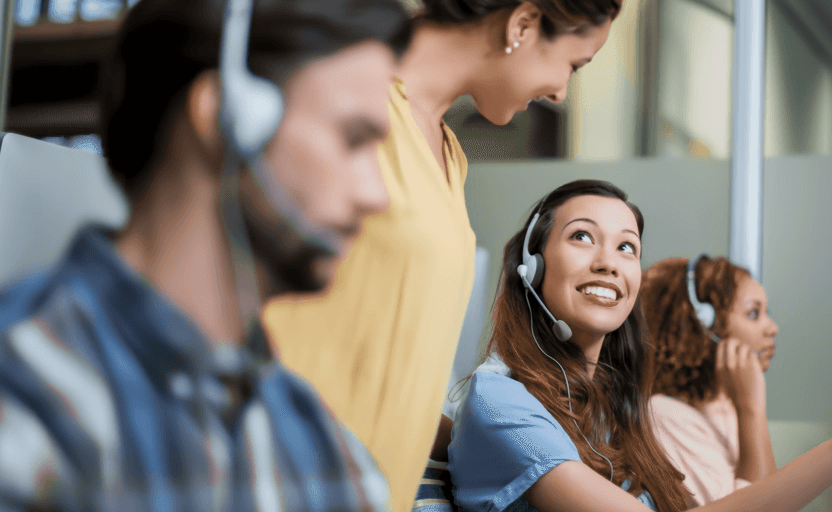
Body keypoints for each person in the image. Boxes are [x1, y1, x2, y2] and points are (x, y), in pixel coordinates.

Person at [0, 0, 410, 509]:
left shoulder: (328, 453)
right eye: (353, 140)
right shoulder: (25, 397)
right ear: (227, 117)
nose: (378, 195)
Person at [444, 179, 832, 512]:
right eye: (582, 237)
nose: (607, 262)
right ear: (531, 266)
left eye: (627, 247)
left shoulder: (608, 406)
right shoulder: (501, 402)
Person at [261, 0, 621, 509]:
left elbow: (383, 362)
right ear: (522, 23)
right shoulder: (348, 102)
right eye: (572, 64)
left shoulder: (449, 153)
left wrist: (494, 439)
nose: (561, 91)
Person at [641, 256, 777, 505]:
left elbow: (781, 498)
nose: (772, 328)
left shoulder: (728, 406)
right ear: (704, 326)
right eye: (753, 313)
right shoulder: (665, 415)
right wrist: (751, 409)